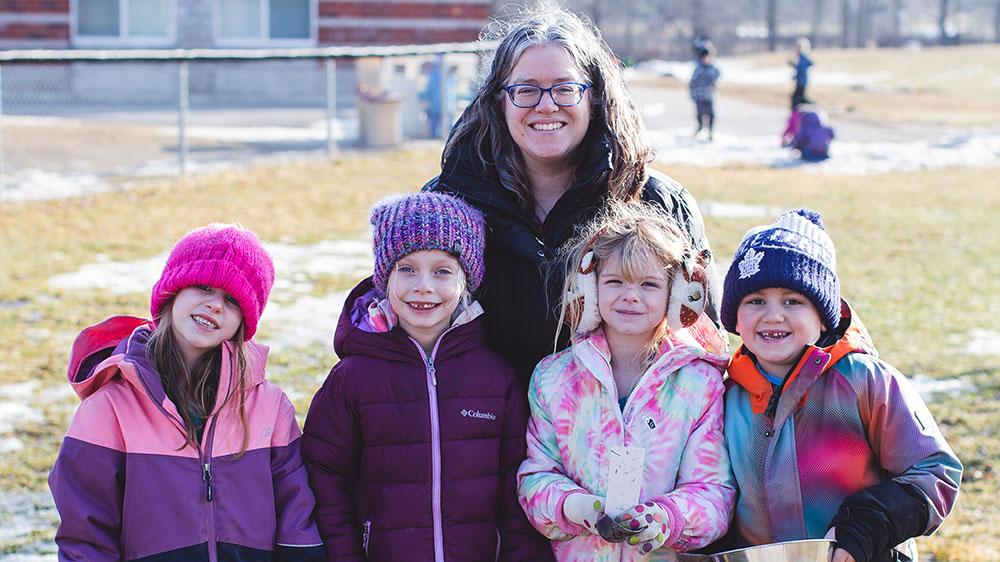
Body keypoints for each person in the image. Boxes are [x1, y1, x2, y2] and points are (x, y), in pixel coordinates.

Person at [424, 4, 723, 383]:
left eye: (565, 88)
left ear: (594, 96)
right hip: (482, 433)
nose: (546, 105)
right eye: (526, 89)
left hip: (622, 435)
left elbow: (704, 340)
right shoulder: (447, 203)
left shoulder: (658, 203)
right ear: (500, 99)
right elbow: (394, 329)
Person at [48, 224, 325, 562]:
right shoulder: (111, 408)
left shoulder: (268, 405)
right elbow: (86, 534)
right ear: (172, 292)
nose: (215, 306)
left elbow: (296, 518)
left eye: (232, 299)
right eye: (205, 287)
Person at [301, 192, 553, 561]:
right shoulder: (352, 379)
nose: (423, 286)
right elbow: (326, 481)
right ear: (384, 278)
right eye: (406, 269)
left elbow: (517, 487)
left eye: (442, 271)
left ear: (466, 281)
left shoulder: (495, 378)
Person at [719, 208, 962, 562]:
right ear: (735, 319)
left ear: (823, 317)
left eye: (793, 301)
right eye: (755, 301)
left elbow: (935, 471)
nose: (773, 315)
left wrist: (866, 527)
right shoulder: (725, 394)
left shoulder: (865, 381)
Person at [517, 201, 735, 561]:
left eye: (649, 284)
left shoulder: (699, 385)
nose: (630, 295)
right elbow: (535, 480)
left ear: (677, 294)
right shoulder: (552, 380)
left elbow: (712, 493)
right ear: (587, 290)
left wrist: (666, 518)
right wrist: (578, 508)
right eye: (615, 281)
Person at [689, 39, 721, 141]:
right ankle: (700, 127)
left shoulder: (712, 68)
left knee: (711, 114)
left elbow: (717, 77)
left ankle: (710, 131)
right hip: (699, 96)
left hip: (709, 95)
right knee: (700, 113)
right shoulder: (698, 69)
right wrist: (693, 94)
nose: (706, 59)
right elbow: (693, 83)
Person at [789, 36, 813, 108]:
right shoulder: (800, 57)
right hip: (801, 81)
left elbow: (801, 69)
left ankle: (810, 107)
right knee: (799, 97)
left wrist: (794, 66)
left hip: (802, 81)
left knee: (797, 98)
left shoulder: (803, 57)